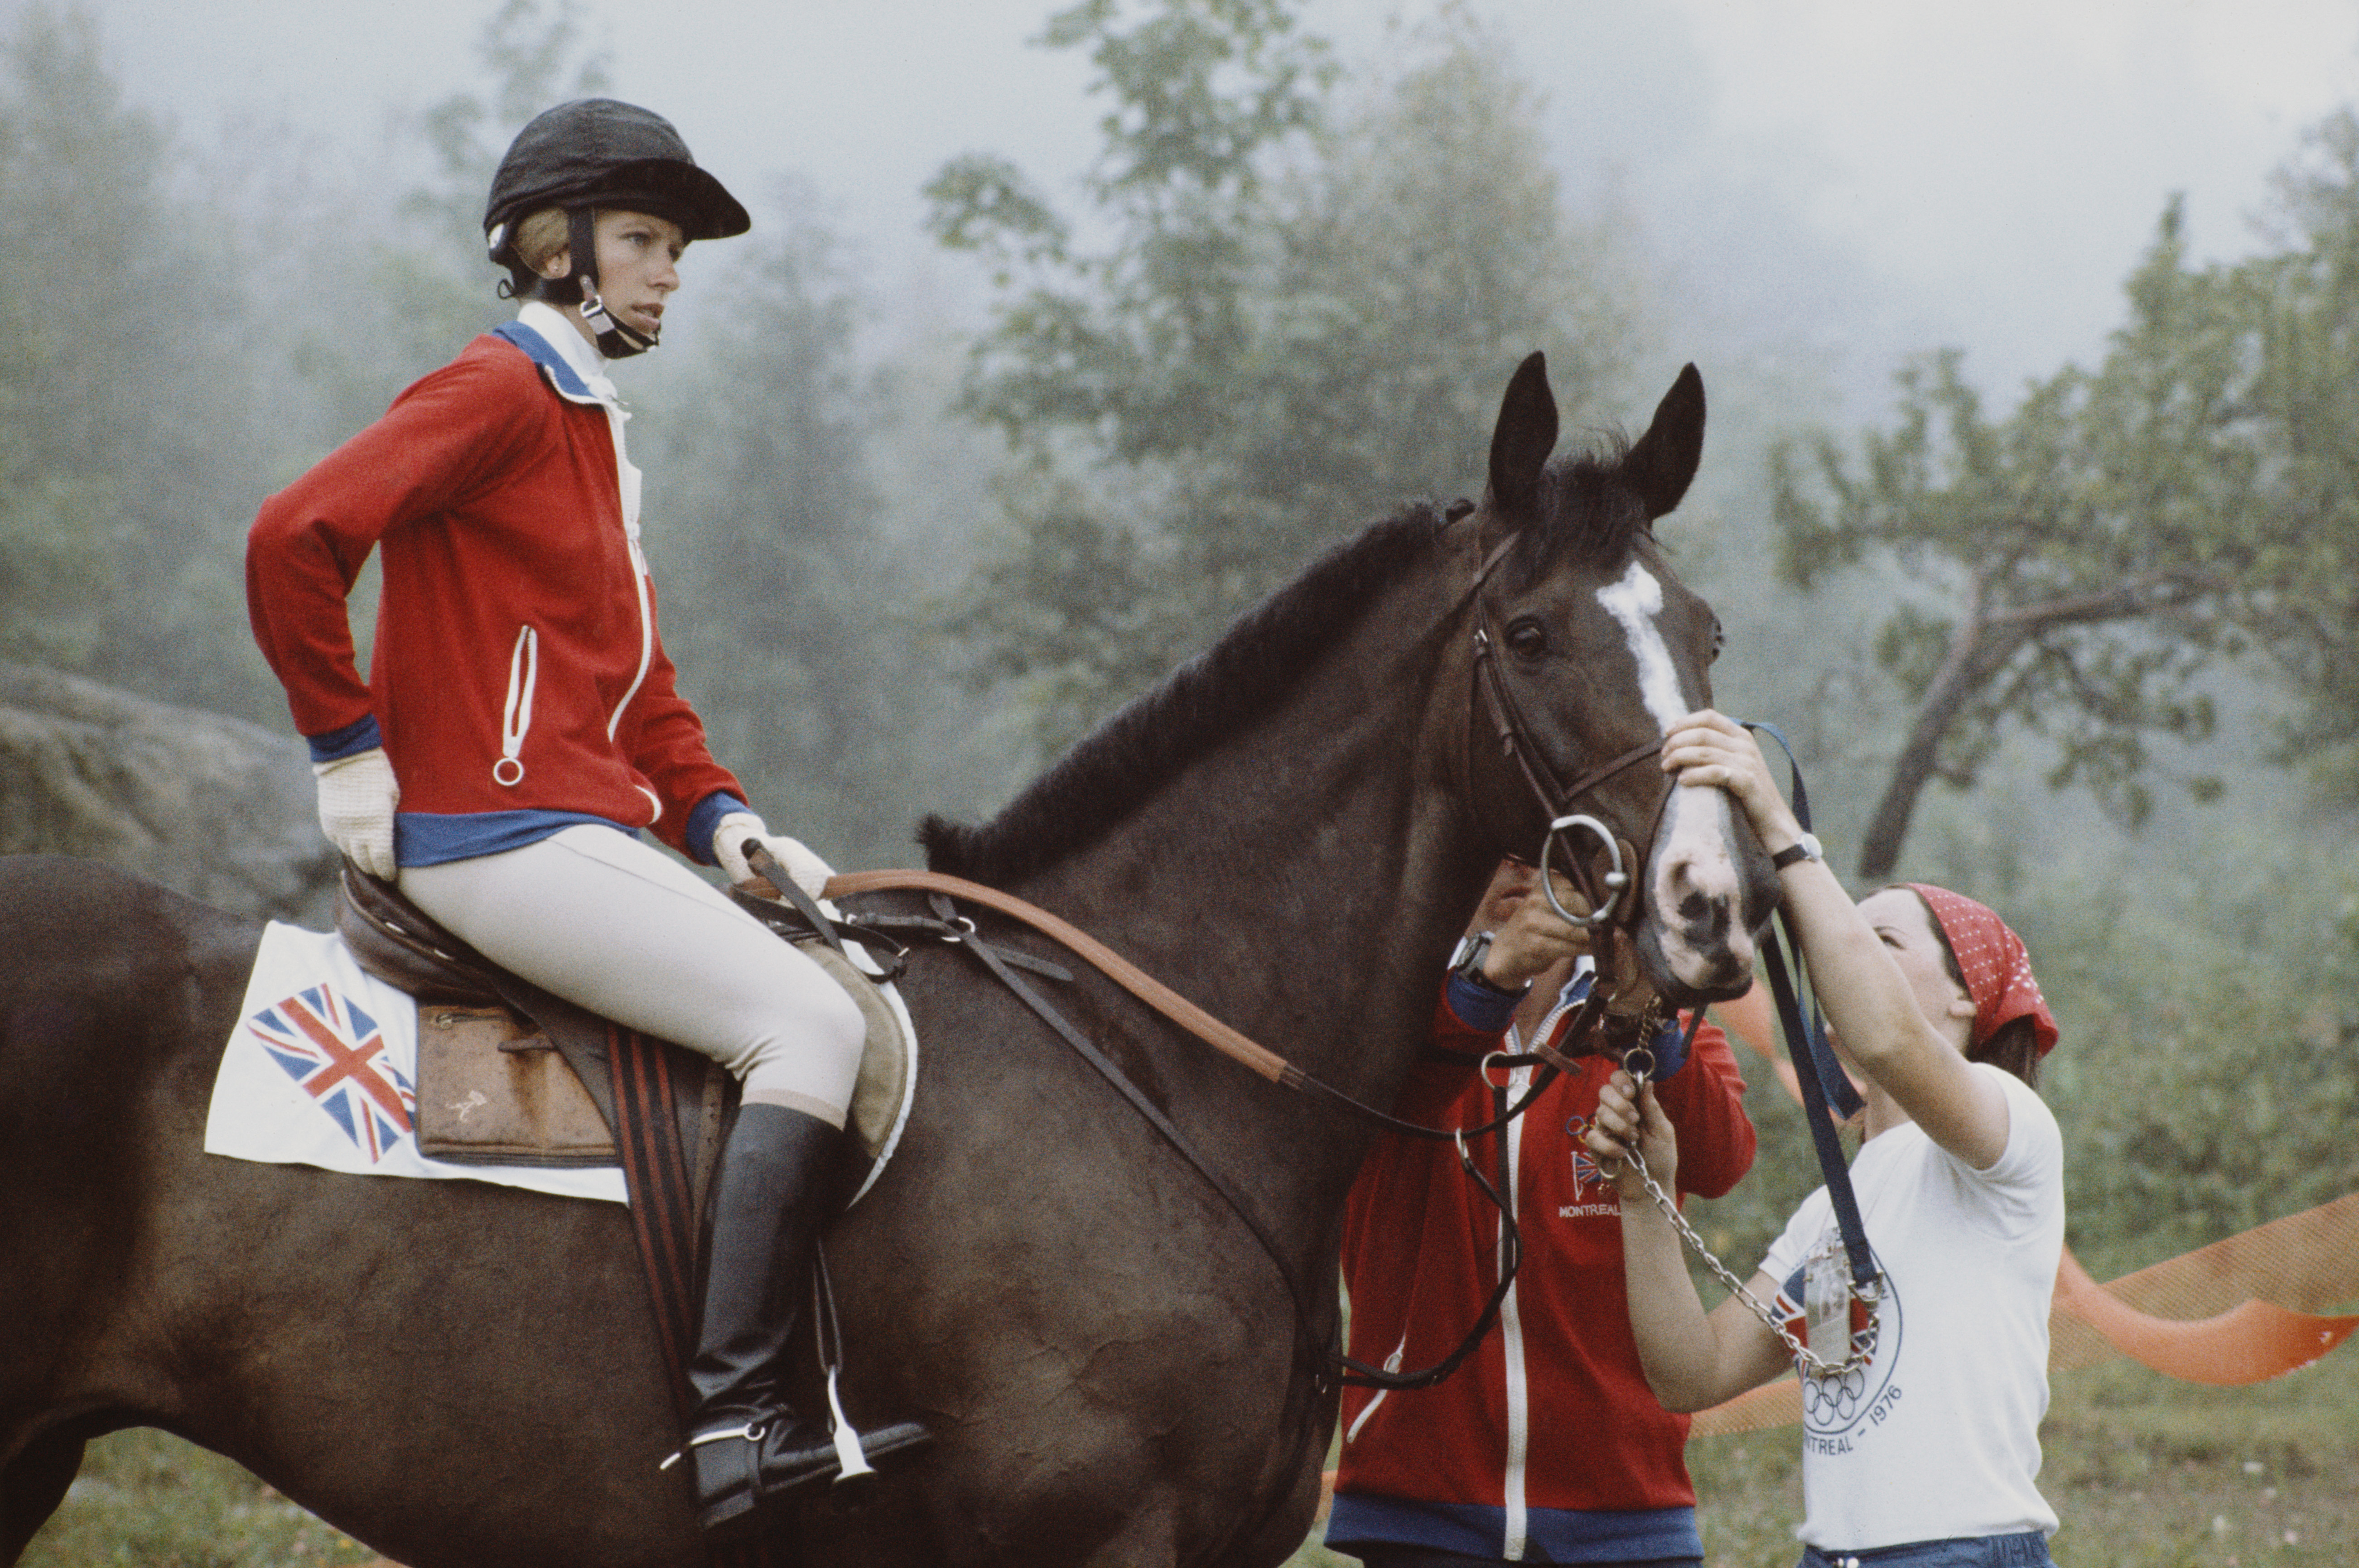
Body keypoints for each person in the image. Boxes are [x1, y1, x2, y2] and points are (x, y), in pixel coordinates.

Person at [244, 98, 922, 1540]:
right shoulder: (494, 392)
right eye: (644, 239)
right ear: (552, 249)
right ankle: (738, 1414)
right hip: (496, 841)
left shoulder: (587, 427)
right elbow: (292, 537)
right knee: (809, 1028)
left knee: (838, 986)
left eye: (673, 247)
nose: (669, 270)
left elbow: (642, 694)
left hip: (586, 829)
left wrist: (728, 820)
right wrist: (348, 749)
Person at [1587, 710, 2065, 1568]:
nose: (1844, 968)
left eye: (1880, 943)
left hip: (1957, 1551)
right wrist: (1641, 1193)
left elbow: (1888, 1037)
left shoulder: (2006, 1130)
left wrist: (1779, 828)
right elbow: (1689, 1374)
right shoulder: (1828, 1213)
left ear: (1967, 998)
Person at [1327, 858, 1759, 1568]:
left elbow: (1722, 1160)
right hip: (1419, 1502)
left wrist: (1639, 1017)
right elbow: (1373, 1117)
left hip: (1624, 1503)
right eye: (1495, 847)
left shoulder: (1644, 1011)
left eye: (1548, 851)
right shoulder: (1387, 1003)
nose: (1523, 870)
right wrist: (1483, 985)